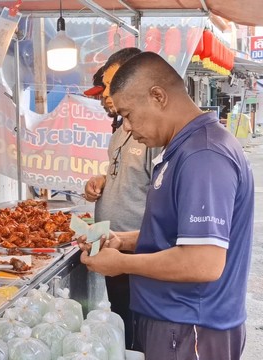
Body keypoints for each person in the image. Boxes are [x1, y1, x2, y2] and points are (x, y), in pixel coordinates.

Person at [81, 52, 254, 359]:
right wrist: (124, 241)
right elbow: (177, 234)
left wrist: (121, 264)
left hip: (192, 327)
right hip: (173, 320)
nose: (129, 128)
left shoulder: (203, 156)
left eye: (130, 115)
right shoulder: (180, 149)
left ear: (158, 96)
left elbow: (203, 262)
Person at [82, 47, 161, 348]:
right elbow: (125, 175)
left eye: (111, 85)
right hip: (113, 243)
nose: (107, 94)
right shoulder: (121, 130)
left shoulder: (153, 134)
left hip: (140, 252)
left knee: (143, 329)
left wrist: (133, 243)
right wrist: (100, 181)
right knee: (122, 320)